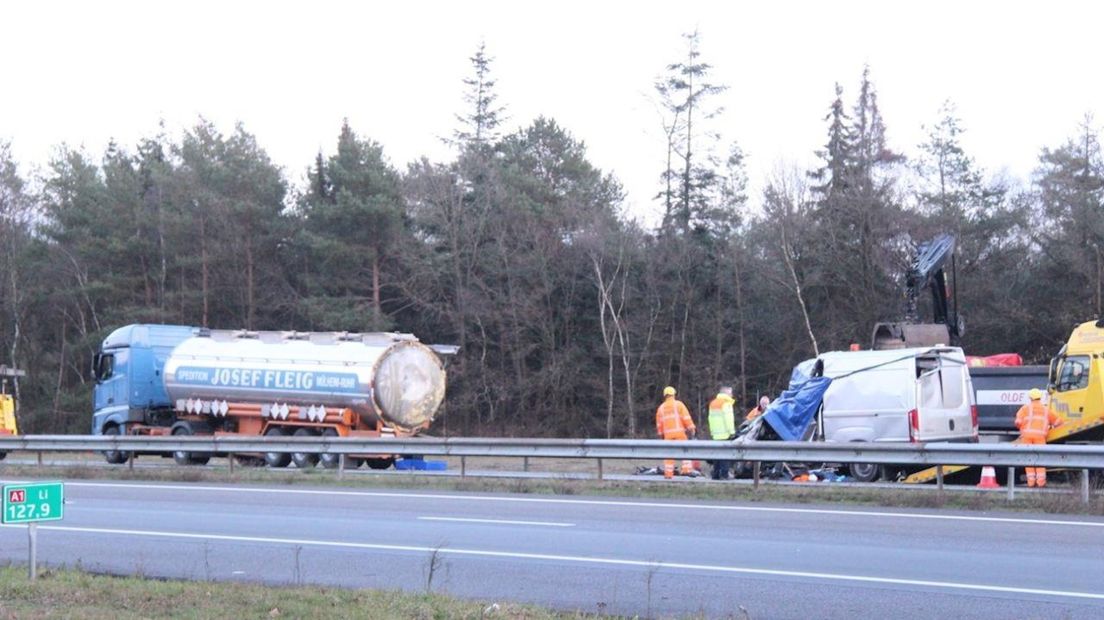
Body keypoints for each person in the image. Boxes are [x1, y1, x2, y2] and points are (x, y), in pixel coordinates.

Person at [1014, 388, 1061, 487]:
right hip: (1040, 437)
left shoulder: (1024, 409)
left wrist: (1021, 427)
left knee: (1029, 459)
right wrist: (1051, 427)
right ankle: (1041, 482)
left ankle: (1031, 483)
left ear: (1030, 398)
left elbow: (1018, 422)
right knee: (1039, 459)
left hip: (1026, 437)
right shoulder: (1046, 409)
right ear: (1040, 397)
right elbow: (1058, 422)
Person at [655, 386, 696, 479]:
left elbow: (659, 424)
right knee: (685, 452)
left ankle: (668, 474)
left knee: (669, 455)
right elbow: (686, 418)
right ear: (674, 394)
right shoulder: (679, 405)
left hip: (668, 436)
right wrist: (691, 428)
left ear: (665, 395)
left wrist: (661, 434)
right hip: (680, 434)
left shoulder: (661, 408)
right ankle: (686, 471)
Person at [707, 386, 736, 480]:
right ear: (726, 393)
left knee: (716, 455)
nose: (732, 395)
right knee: (725, 456)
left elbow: (710, 419)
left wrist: (712, 431)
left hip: (716, 434)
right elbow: (728, 419)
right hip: (725, 433)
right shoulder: (726, 403)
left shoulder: (713, 403)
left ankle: (715, 475)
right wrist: (732, 432)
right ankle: (724, 474)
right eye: (730, 393)